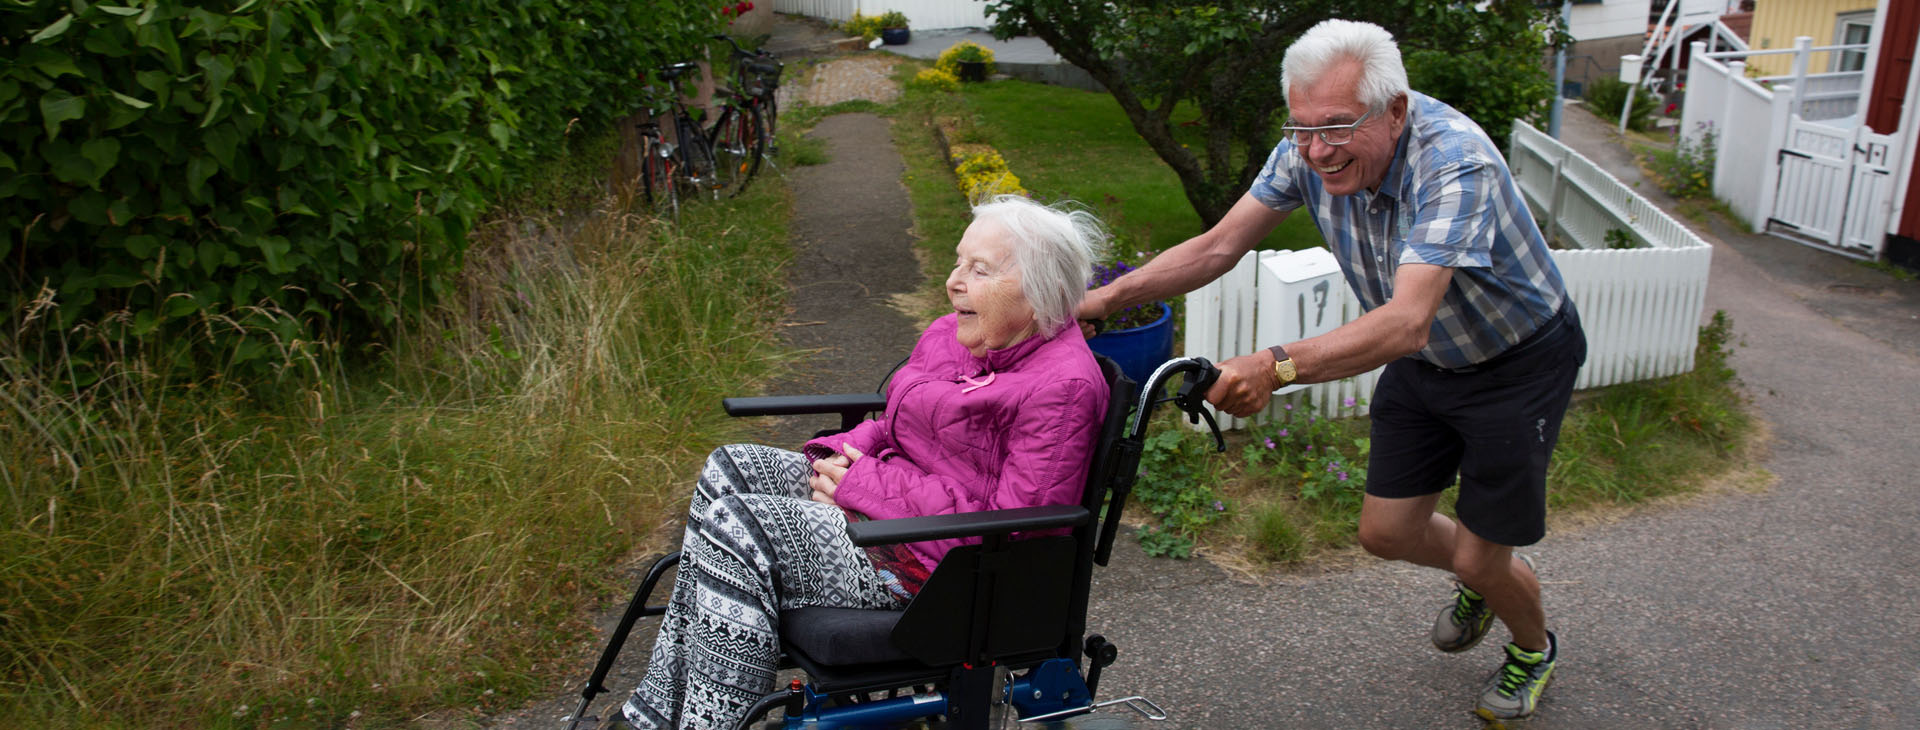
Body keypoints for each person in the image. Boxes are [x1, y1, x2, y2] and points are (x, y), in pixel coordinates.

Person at [1076, 19, 1586, 723]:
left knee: (1479, 557)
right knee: (1385, 533)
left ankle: (1532, 646)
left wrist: (1276, 366)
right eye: (1302, 127)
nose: (1316, 151)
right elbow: (1221, 244)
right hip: (1425, 357)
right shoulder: (1307, 148)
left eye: (1338, 129)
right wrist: (1105, 299)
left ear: (1396, 110)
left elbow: (1407, 317)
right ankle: (1482, 577)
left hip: (1515, 362)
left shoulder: (1455, 162)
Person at [622, 195, 1112, 730]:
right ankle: (661, 711)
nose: (954, 282)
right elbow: (897, 423)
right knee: (732, 467)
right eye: (957, 262)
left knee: (739, 526)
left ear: (1042, 292)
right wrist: (839, 453)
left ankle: (709, 723)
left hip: (942, 572)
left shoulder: (1063, 388)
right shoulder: (956, 335)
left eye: (979, 270)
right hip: (889, 517)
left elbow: (1016, 531)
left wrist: (864, 485)